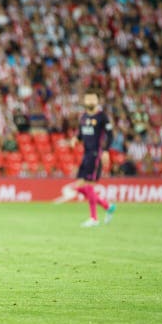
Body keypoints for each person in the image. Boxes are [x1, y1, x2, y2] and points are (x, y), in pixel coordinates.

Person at [59, 91, 116, 227]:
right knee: (79, 186)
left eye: (93, 98)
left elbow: (110, 135)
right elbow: (80, 134)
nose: (90, 101)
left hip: (96, 154)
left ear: (97, 101)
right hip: (86, 154)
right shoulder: (83, 117)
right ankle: (106, 206)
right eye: (88, 99)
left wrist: (106, 151)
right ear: (84, 101)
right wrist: (73, 140)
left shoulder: (102, 117)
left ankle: (94, 218)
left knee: (88, 185)